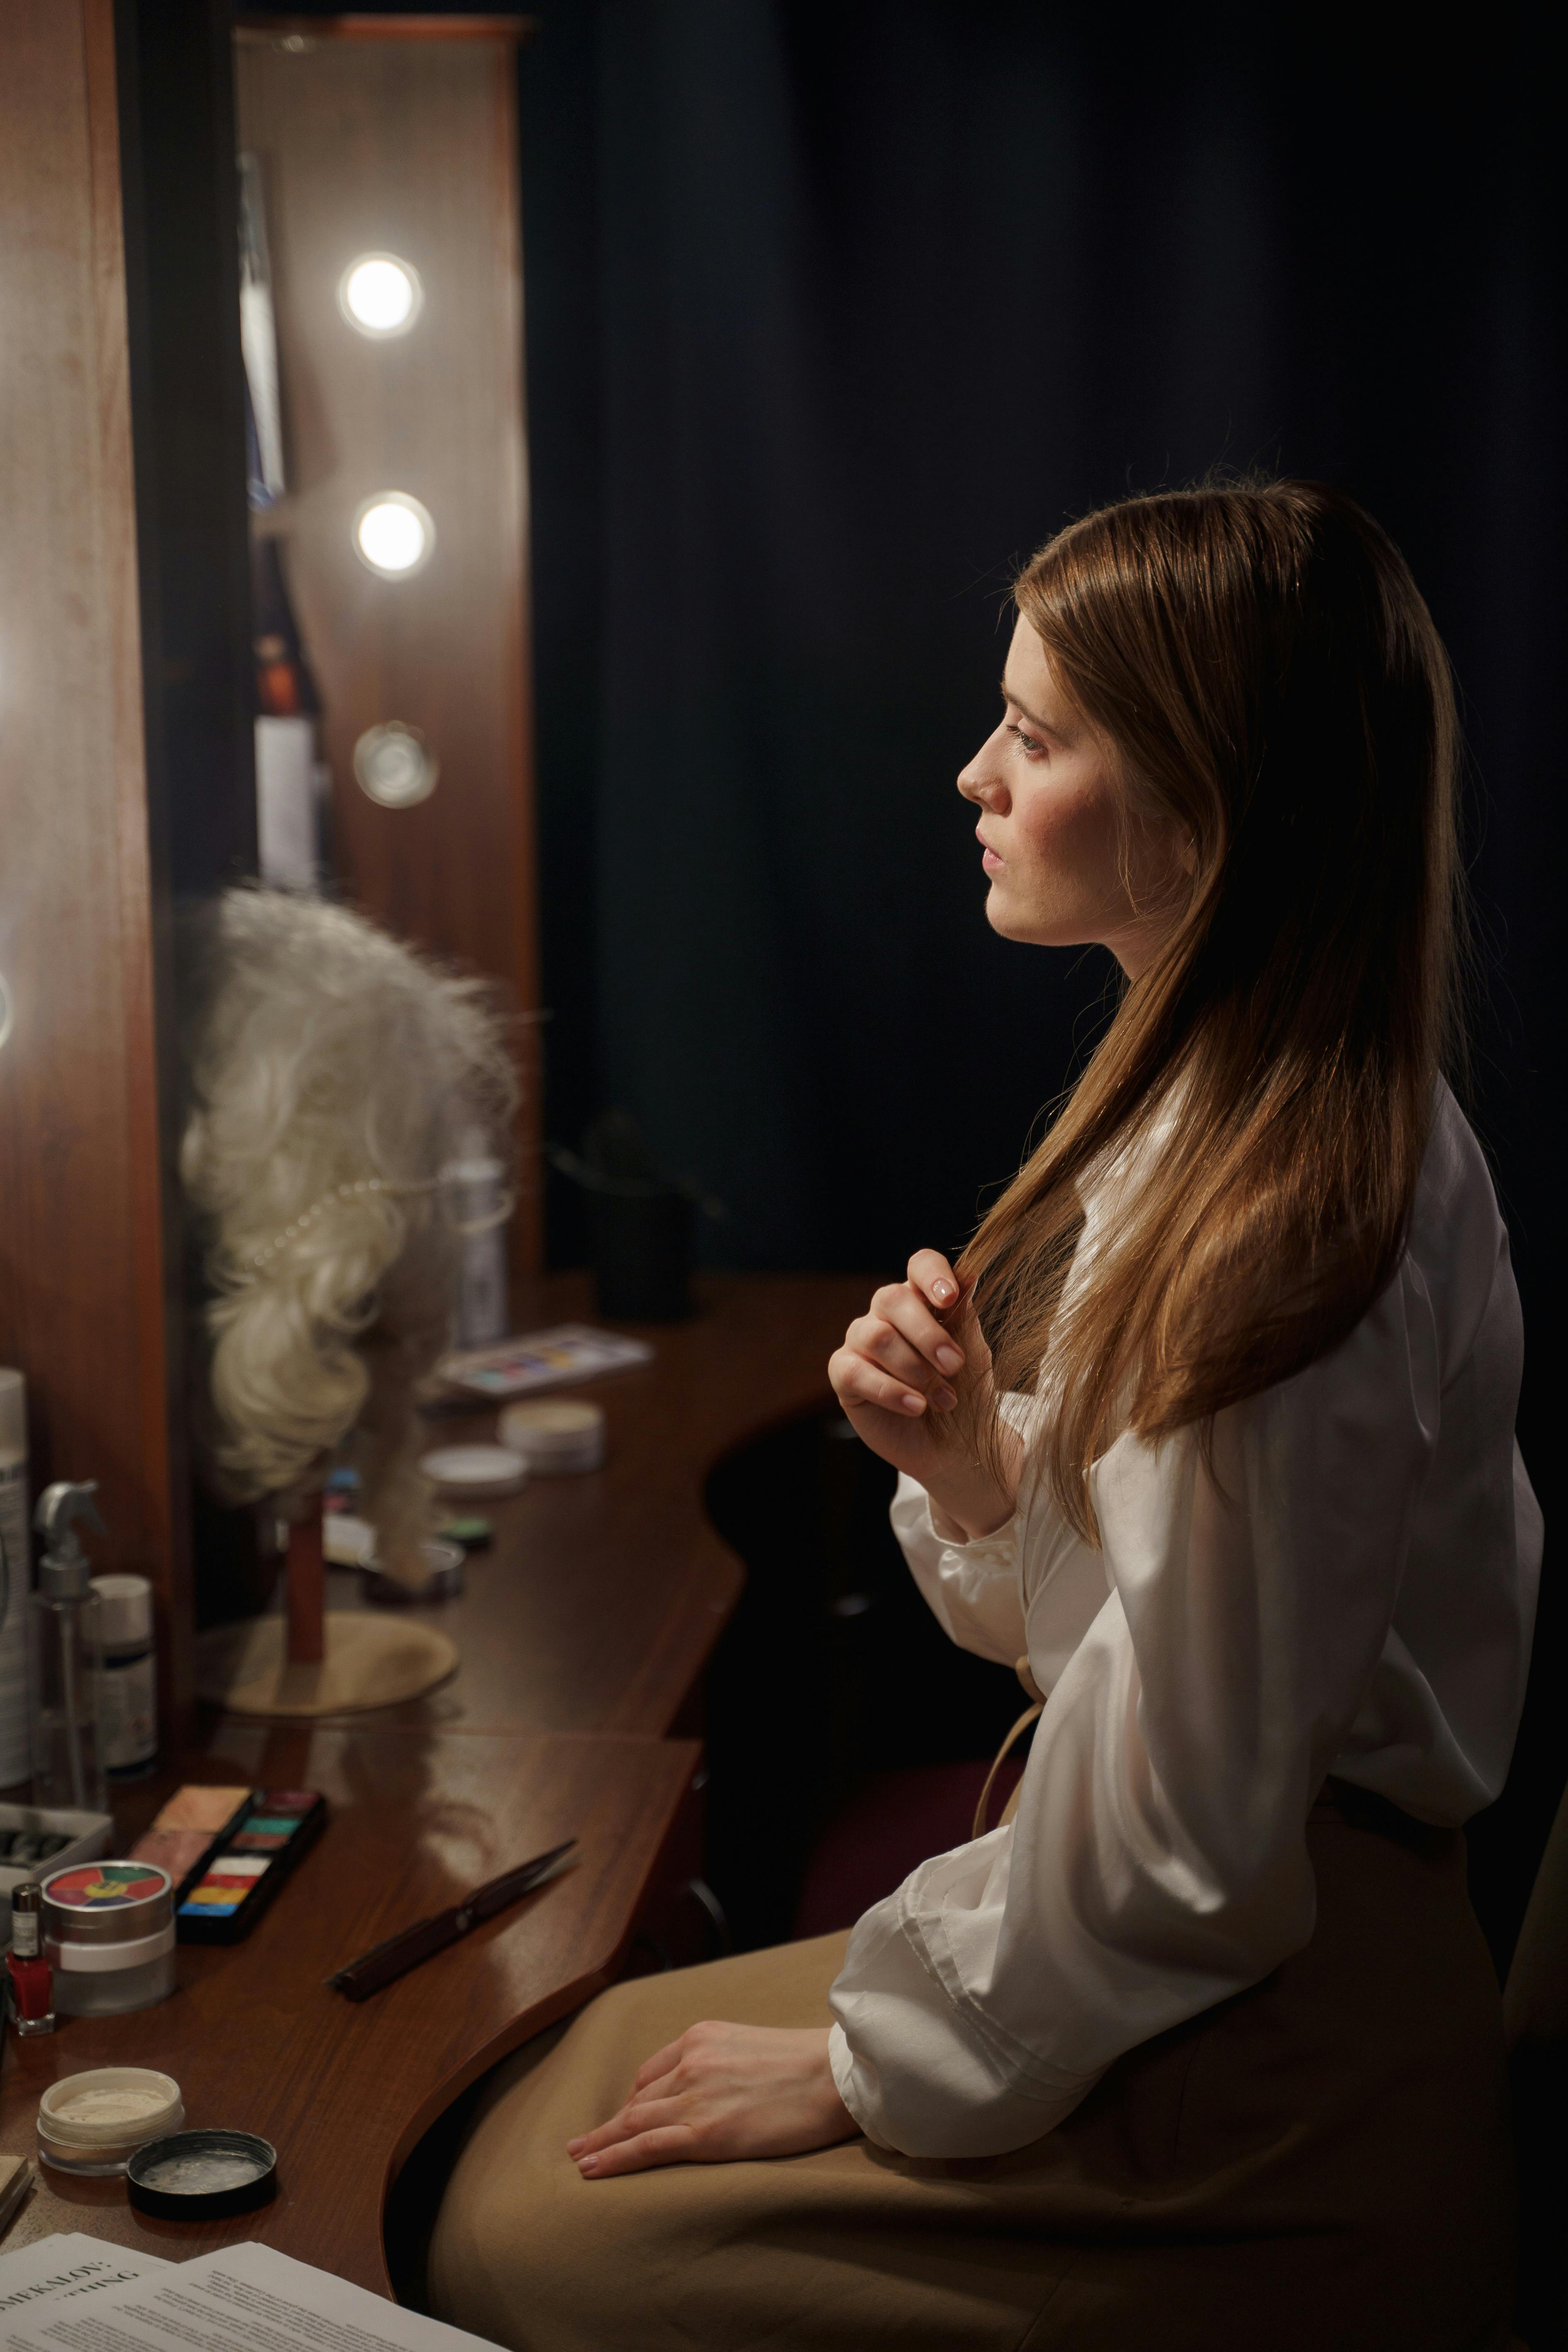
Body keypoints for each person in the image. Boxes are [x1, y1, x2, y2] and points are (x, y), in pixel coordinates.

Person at [428, 481, 1541, 2350]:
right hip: (1229, 1929)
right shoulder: (1232, 1122)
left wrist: (873, 2072)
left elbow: (1192, 1826)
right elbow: (1192, 1644)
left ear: (1209, 799)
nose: (972, 773)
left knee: (512, 2243)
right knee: (569, 2078)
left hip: (1275, 2037)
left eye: (1034, 735)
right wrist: (978, 1471)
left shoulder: (1276, 1217)